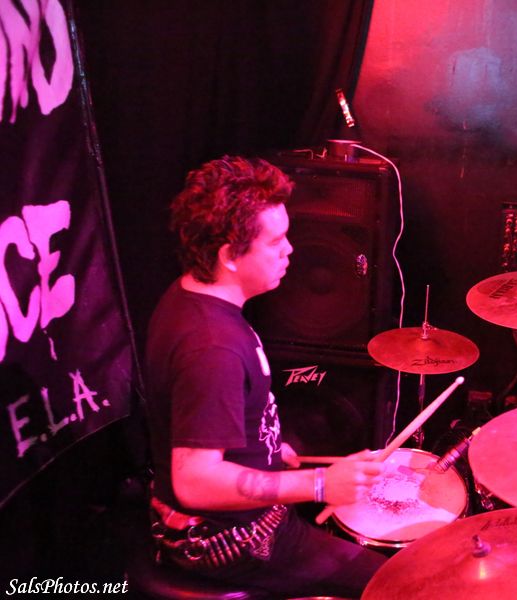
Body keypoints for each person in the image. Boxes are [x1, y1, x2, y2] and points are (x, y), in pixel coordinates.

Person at [144, 155, 387, 597]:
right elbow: (194, 481)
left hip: (223, 518)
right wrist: (318, 484)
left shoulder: (191, 295)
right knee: (397, 581)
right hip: (227, 539)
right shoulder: (211, 347)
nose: (289, 250)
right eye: (275, 241)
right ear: (230, 256)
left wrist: (270, 452)